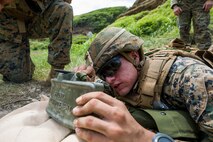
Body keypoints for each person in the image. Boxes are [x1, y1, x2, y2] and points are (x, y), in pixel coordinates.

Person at [71, 27, 213, 142]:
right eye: (103, 74)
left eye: (112, 68)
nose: (109, 80)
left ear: (134, 56)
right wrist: (83, 81)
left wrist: (144, 138)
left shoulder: (192, 78)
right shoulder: (120, 81)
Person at [0, 0, 73, 84]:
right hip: (9, 27)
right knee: (18, 76)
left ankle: (56, 73)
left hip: (35, 21)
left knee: (64, 9)